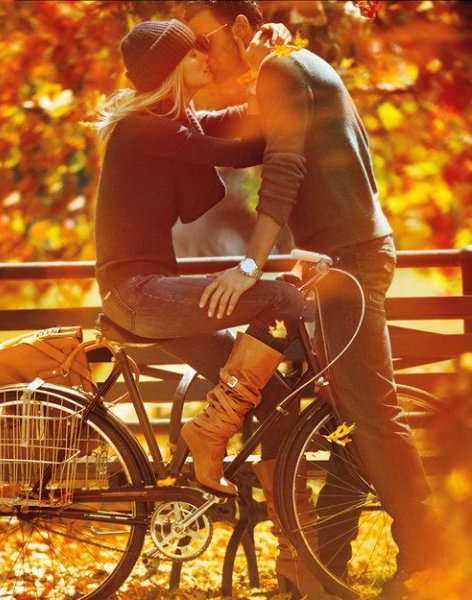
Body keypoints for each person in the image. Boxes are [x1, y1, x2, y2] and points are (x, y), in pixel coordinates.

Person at [183, 1, 440, 598]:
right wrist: (166, 115)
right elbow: (238, 137)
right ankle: (331, 563)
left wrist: (250, 265)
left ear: (239, 28)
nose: (201, 55)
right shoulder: (291, 66)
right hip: (338, 258)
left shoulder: (283, 69)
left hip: (348, 261)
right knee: (350, 413)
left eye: (203, 40)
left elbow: (284, 170)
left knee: (372, 413)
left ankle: (431, 554)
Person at [93, 19, 309, 503]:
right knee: (281, 298)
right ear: (169, 68)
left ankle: (293, 531)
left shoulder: (174, 123)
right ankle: (208, 433)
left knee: (275, 399)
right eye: (192, 54)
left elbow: (243, 123)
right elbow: (246, 149)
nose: (205, 59)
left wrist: (262, 71)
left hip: (153, 295)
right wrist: (270, 88)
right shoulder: (143, 129)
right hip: (138, 296)